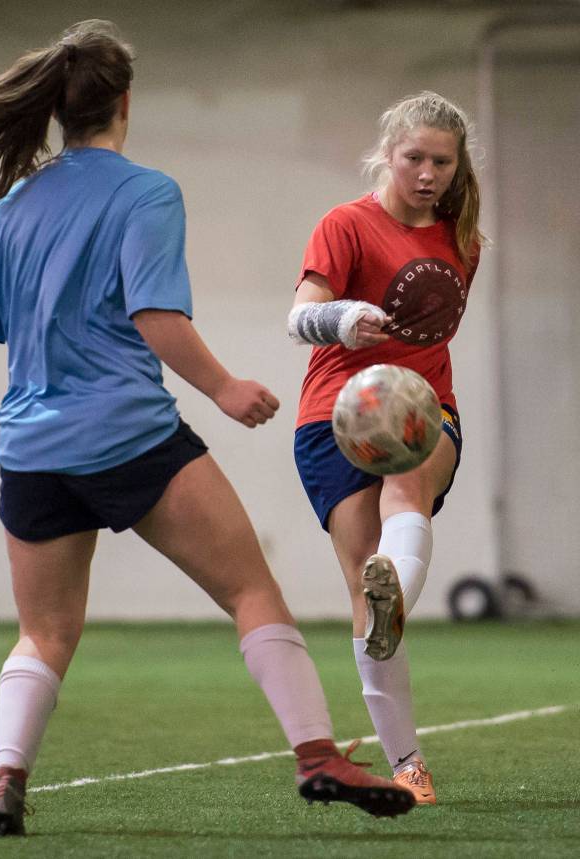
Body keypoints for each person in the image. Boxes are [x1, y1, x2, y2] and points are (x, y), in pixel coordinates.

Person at [0, 20, 415, 837]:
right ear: (125, 102)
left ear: (56, 108)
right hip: (130, 437)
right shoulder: (145, 191)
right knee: (249, 588)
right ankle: (316, 754)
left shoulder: (10, 205)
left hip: (32, 451)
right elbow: (154, 313)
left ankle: (3, 777)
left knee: (44, 632)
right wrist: (226, 388)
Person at [288, 91, 484, 805]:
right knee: (363, 582)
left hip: (424, 407)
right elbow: (299, 314)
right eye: (414, 159)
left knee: (409, 490)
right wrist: (345, 318)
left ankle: (392, 595)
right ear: (387, 154)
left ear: (458, 165)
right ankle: (406, 759)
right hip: (336, 415)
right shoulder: (345, 225)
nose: (428, 173)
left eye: (441, 161)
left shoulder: (464, 238)